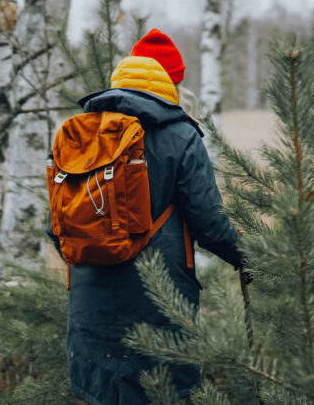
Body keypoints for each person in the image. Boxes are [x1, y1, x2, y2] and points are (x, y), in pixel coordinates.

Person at [51, 28, 244, 405]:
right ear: (170, 88)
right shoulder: (181, 135)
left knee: (100, 392)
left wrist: (97, 253)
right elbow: (208, 222)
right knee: (162, 391)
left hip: (89, 297)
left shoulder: (78, 134)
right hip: (159, 294)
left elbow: (55, 226)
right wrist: (249, 258)